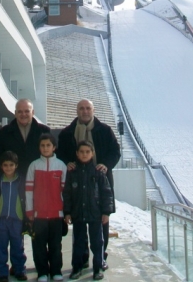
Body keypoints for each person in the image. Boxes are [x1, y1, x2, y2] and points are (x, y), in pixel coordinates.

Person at [57, 99, 120, 270]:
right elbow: (60, 153)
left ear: (93, 110)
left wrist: (106, 164)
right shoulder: (67, 133)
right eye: (81, 108)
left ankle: (101, 257)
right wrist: (67, 162)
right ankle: (82, 258)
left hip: (99, 183)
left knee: (102, 222)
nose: (85, 111)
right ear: (77, 110)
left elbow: (115, 152)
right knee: (79, 226)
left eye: (88, 108)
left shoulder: (105, 131)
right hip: (77, 185)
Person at [63, 141, 114, 281]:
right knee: (78, 242)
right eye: (81, 152)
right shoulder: (72, 172)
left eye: (87, 151)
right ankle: (77, 267)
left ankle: (97, 268)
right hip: (78, 213)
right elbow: (67, 193)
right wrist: (67, 212)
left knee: (97, 242)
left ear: (92, 153)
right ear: (77, 154)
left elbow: (106, 193)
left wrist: (106, 212)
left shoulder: (98, 172)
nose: (84, 154)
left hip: (95, 214)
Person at [25, 134, 67, 282]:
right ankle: (42, 272)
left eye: (48, 145)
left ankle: (56, 271)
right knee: (39, 246)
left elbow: (65, 192)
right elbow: (29, 191)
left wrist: (65, 212)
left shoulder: (61, 165)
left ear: (54, 147)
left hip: (56, 214)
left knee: (56, 245)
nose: (45, 148)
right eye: (42, 145)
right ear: (39, 148)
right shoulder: (34, 165)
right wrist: (30, 212)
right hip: (38, 215)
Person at [0, 151, 28, 282]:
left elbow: (26, 199)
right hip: (1, 221)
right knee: (0, 247)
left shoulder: (21, 180)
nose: (8, 168)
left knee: (18, 247)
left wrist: (26, 218)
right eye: (5, 165)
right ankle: (3, 272)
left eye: (11, 165)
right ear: (1, 166)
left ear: (16, 165)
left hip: (17, 220)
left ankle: (19, 269)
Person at [0, 98, 50, 178]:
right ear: (15, 113)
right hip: (13, 180)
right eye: (20, 111)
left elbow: (51, 155)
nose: (23, 114)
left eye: (27, 111)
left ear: (33, 112)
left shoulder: (44, 131)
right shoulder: (4, 132)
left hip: (39, 178)